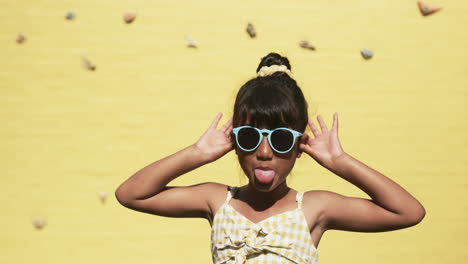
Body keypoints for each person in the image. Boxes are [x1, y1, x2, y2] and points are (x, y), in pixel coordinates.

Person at [115, 52, 426, 264]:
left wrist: (341, 161)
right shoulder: (216, 200)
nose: (264, 153)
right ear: (235, 141)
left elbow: (408, 212)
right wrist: (197, 153)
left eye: (280, 140)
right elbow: (130, 194)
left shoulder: (315, 208)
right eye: (249, 138)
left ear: (299, 144)